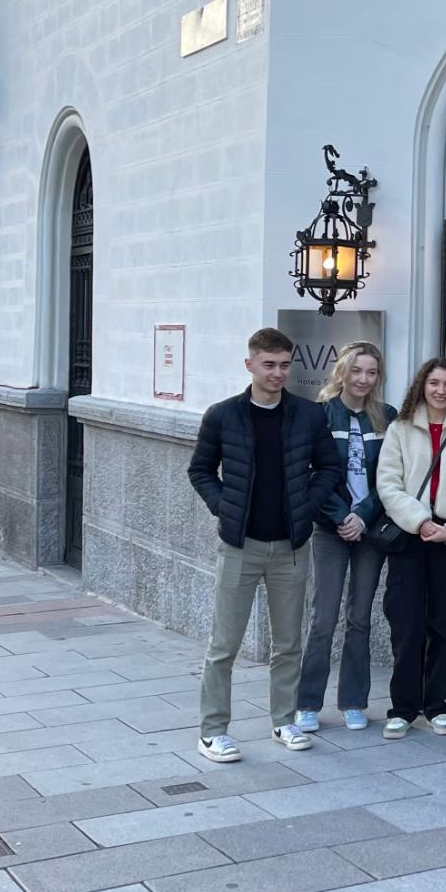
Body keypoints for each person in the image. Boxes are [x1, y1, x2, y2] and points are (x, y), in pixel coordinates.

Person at [188, 327, 341, 764]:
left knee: (288, 642)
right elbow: (200, 470)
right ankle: (213, 730)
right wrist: (225, 507)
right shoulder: (222, 416)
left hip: (291, 546)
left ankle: (284, 720)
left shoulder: (309, 416)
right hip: (240, 545)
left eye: (284, 365)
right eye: (269, 365)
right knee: (224, 644)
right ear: (250, 364)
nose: (277, 373)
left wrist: (308, 508)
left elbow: (328, 467)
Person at [376, 358, 446, 739]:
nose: (441, 390)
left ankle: (437, 705)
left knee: (445, 623)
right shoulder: (400, 428)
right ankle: (403, 708)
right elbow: (388, 484)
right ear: (422, 386)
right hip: (410, 535)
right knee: (406, 623)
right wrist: (420, 520)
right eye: (433, 383)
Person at [297, 342, 396, 735]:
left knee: (359, 618)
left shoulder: (387, 417)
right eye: (357, 371)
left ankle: (354, 701)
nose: (363, 379)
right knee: (323, 619)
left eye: (371, 373)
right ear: (343, 371)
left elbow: (392, 476)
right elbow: (313, 474)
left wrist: (364, 515)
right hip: (330, 531)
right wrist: (342, 516)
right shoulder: (320, 415)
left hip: (370, 530)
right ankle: (307, 703)